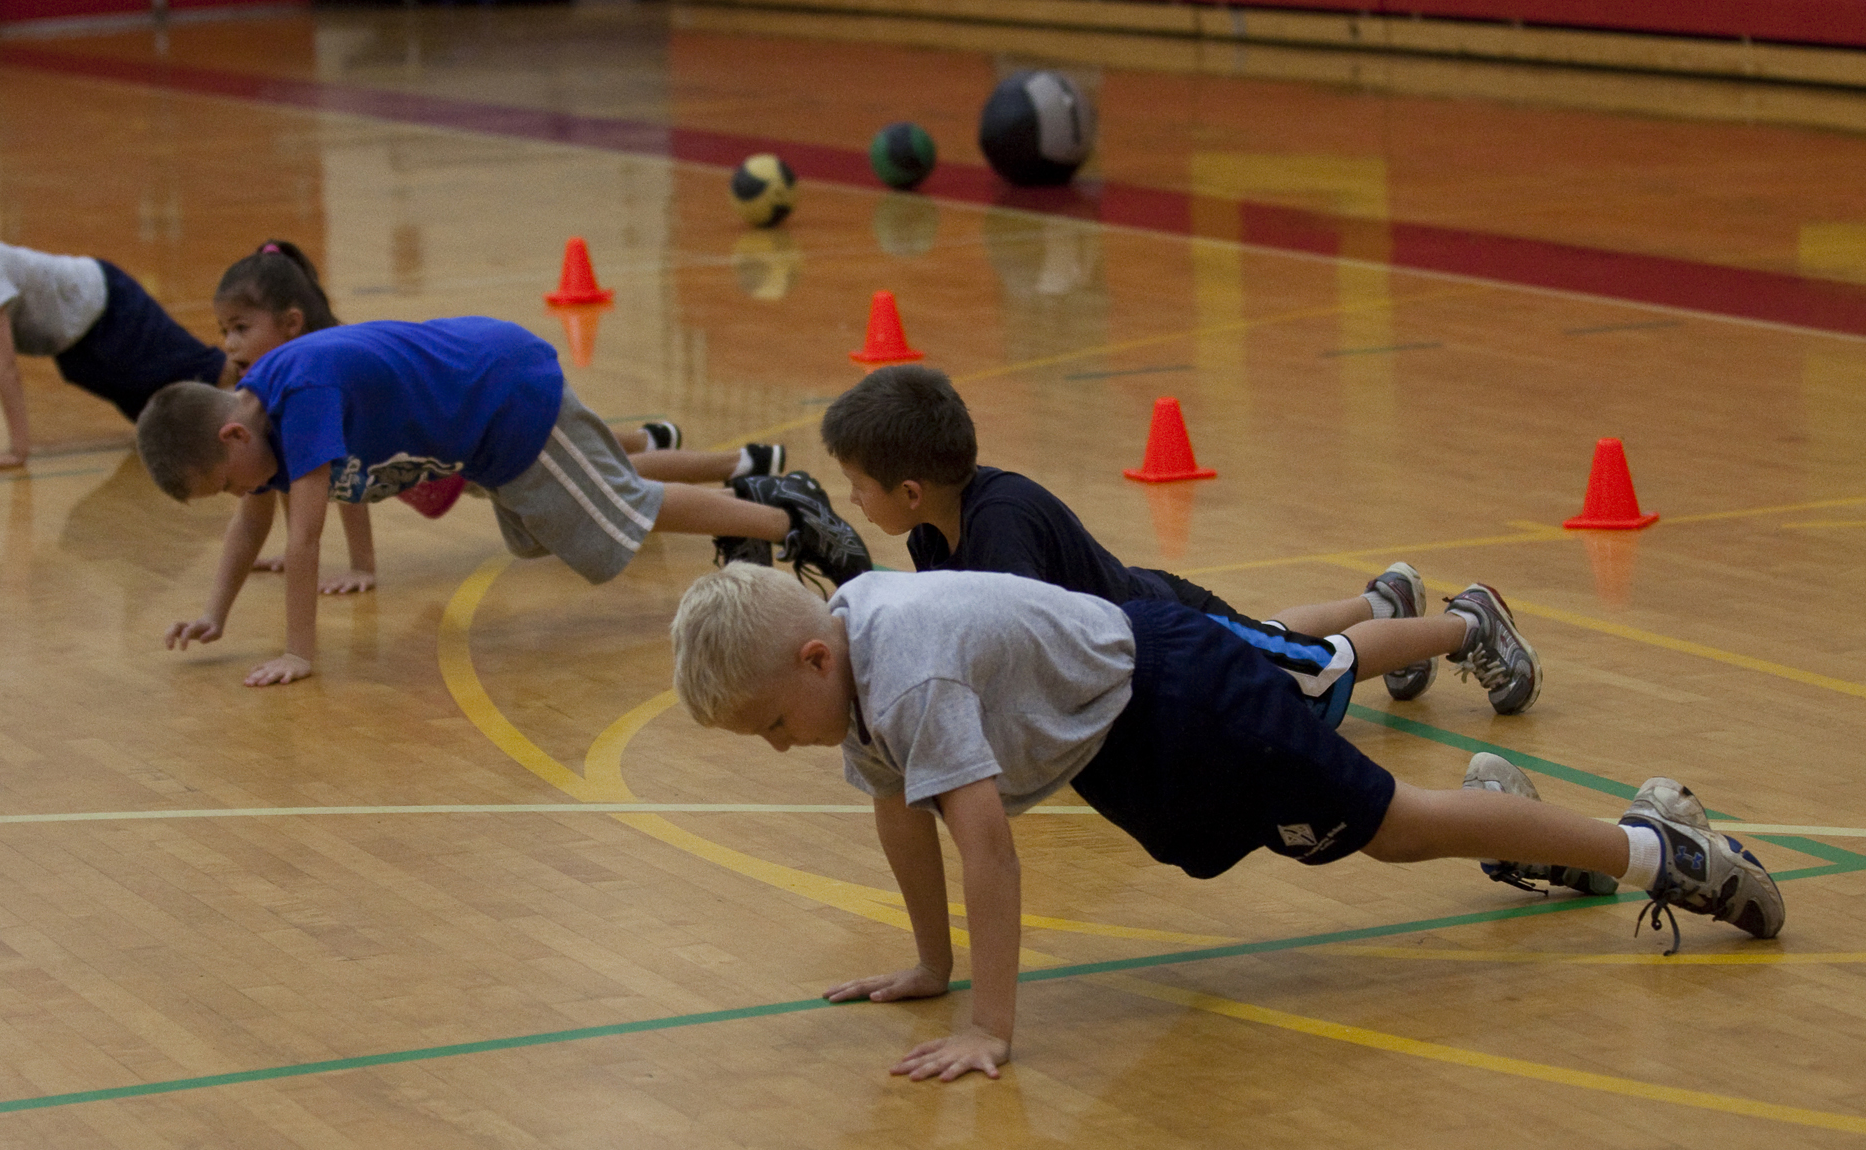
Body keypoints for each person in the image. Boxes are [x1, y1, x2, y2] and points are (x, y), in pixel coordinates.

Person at [669, 563, 1784, 1082]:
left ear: (816, 658)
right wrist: (929, 964)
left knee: (1390, 826)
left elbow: (986, 847)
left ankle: (1661, 850)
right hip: (1133, 735)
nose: (779, 746)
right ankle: (1517, 827)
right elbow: (898, 815)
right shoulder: (847, 642)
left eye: (772, 724)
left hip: (1181, 701)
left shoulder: (900, 674)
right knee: (1380, 824)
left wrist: (992, 1028)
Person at [136, 314, 869, 686]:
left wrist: (301, 652)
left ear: (233, 435)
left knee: (616, 512)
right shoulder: (260, 420)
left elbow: (301, 541)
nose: (242, 493)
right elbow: (250, 524)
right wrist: (214, 614)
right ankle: (748, 499)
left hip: (503, 394)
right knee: (555, 531)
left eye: (230, 479)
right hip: (479, 435)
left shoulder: (301, 395)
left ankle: (787, 514)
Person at [820, 365, 1540, 719]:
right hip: (1157, 631)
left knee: (1311, 678)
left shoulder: (1001, 519)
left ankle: (1467, 622)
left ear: (910, 490)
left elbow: (1021, 641)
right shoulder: (932, 534)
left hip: (1171, 641)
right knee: (1266, 641)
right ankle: (1383, 604)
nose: (852, 498)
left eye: (858, 484)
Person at [211, 241, 791, 594]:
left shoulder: (307, 383)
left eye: (242, 328)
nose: (231, 344)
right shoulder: (271, 391)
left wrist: (360, 563)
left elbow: (331, 497)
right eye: (225, 331)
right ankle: (721, 460)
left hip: (472, 428)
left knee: (617, 496)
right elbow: (308, 495)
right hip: (462, 443)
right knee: (600, 480)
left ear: (288, 323)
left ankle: (762, 490)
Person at [0, 213, 231, 472]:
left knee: (209, 373)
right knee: (161, 416)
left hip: (109, 307)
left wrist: (17, 450)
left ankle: (274, 386)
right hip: (71, 346)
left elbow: (5, 367)